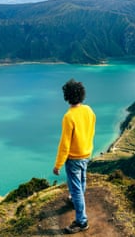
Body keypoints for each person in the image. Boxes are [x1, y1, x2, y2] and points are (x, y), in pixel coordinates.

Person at [53, 78, 96, 234]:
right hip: (86, 154)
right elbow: (91, 131)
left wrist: (58, 165)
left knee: (76, 189)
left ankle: (81, 221)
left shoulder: (69, 117)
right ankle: (75, 202)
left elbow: (64, 144)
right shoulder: (89, 110)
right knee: (82, 181)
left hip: (73, 159)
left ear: (67, 96)